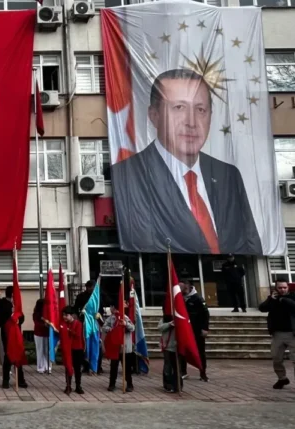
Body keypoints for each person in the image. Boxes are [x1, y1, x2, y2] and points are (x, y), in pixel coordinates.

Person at [111, 68, 262, 255]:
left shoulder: (227, 174)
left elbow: (251, 243)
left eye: (200, 110)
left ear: (210, 116)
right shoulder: (128, 175)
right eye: (179, 108)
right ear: (154, 115)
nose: (191, 122)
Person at [258, 278, 295, 395]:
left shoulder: (294, 296)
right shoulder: (273, 299)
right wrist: (271, 299)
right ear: (276, 288)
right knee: (276, 358)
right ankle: (282, 378)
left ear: (288, 287)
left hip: (293, 333)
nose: (282, 290)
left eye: (284, 287)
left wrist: (284, 300)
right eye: (280, 288)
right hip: (278, 333)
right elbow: (262, 308)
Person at [0, 286, 27, 389]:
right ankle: (5, 380)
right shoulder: (3, 303)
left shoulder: (17, 304)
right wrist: (11, 314)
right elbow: (0, 318)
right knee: (8, 354)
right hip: (7, 332)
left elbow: (22, 317)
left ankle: (20, 379)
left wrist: (19, 319)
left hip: (17, 331)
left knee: (18, 352)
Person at [179, 281, 210, 381]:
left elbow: (206, 314)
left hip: (197, 329)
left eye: (181, 286)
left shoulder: (198, 298)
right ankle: (183, 372)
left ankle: (203, 373)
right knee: (182, 351)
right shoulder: (180, 298)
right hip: (185, 330)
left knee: (200, 352)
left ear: (187, 285)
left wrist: (205, 328)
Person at [102, 301, 135, 392]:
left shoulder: (125, 317)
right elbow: (104, 327)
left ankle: (129, 384)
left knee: (127, 368)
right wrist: (112, 329)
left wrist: (125, 324)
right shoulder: (111, 318)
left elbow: (132, 328)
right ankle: (112, 384)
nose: (111, 309)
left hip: (125, 347)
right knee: (113, 367)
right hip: (115, 347)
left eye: (111, 307)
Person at [62, 306, 85, 395]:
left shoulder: (78, 324)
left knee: (77, 368)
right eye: (63, 315)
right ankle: (68, 385)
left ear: (72, 315)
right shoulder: (64, 324)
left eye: (66, 315)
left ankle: (78, 386)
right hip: (68, 348)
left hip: (77, 348)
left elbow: (78, 335)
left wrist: (68, 330)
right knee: (68, 367)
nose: (64, 317)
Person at [159, 315, 181, 393]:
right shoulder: (164, 319)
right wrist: (169, 324)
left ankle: (178, 384)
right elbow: (160, 327)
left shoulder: (179, 318)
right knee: (167, 367)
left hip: (177, 347)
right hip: (167, 346)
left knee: (177, 367)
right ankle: (168, 385)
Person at [31, 298, 50, 374]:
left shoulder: (46, 314)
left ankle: (46, 365)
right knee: (40, 350)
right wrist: (44, 324)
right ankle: (40, 366)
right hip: (39, 333)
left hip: (46, 333)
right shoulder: (36, 314)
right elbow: (36, 323)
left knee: (46, 350)